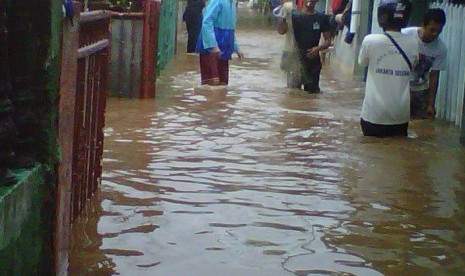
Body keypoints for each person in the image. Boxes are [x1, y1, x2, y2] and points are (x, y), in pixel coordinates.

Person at [358, 0, 418, 137]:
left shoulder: (370, 41)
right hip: (400, 116)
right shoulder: (413, 43)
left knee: (370, 153)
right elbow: (414, 66)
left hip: (374, 115)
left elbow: (362, 63)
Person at [277, 0, 331, 93]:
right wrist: (283, 17)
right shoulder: (293, 16)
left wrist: (318, 48)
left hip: (312, 60)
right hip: (295, 59)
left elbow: (328, 40)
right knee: (293, 92)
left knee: (313, 93)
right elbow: (281, 31)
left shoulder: (321, 18)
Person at [402, 8, 447, 119]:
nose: (435, 34)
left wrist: (431, 104)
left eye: (439, 31)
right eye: (432, 30)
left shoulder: (441, 48)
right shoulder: (405, 35)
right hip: (401, 88)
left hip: (420, 92)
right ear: (423, 25)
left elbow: (434, 76)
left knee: (422, 125)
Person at [195, 0, 244, 86]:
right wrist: (212, 45)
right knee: (211, 84)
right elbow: (206, 22)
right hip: (211, 47)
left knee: (223, 84)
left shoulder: (232, 3)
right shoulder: (217, 1)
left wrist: (236, 47)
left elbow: (231, 28)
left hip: (224, 47)